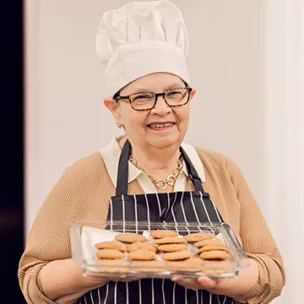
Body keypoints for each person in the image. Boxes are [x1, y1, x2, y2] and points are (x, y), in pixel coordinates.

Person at [18, 1, 285, 303]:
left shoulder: (223, 171)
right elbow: (33, 278)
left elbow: (271, 272)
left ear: (190, 97)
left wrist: (215, 278)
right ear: (115, 110)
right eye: (142, 97)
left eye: (174, 93)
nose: (162, 109)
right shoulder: (82, 178)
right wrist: (98, 267)